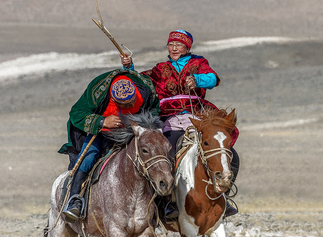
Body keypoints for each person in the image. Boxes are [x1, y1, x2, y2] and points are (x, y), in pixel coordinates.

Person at [121, 30, 239, 217]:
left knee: (228, 153)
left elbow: (213, 79)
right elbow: (141, 81)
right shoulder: (160, 69)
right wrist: (129, 67)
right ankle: (168, 202)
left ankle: (222, 195)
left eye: (179, 45)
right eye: (171, 44)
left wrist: (197, 80)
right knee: (166, 154)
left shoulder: (199, 63)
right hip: (171, 120)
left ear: (187, 47)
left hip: (197, 118)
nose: (174, 48)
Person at [58, 69, 159, 221]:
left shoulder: (146, 90)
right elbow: (76, 113)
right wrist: (102, 121)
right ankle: (75, 199)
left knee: (150, 155)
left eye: (133, 101)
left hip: (131, 132)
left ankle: (159, 202)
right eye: (126, 105)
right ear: (114, 99)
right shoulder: (98, 91)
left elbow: (155, 109)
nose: (131, 106)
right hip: (101, 133)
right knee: (88, 157)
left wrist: (144, 124)